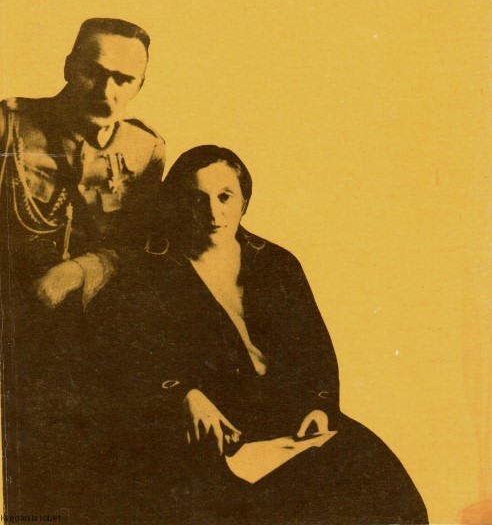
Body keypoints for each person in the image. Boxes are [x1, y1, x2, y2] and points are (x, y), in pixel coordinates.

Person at [90, 145, 428, 525]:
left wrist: (318, 407)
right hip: (217, 424)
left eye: (224, 197)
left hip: (291, 414)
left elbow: (315, 351)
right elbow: (133, 358)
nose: (213, 212)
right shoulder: (152, 272)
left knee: (382, 482)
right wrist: (183, 394)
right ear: (179, 203)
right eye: (198, 199)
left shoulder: (276, 263)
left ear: (244, 201)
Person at [0, 18, 166, 517]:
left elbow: (141, 246)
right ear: (70, 67)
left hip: (90, 332)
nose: (107, 90)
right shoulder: (10, 126)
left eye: (124, 79)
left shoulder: (145, 149)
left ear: (139, 85)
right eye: (95, 72)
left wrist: (78, 270)